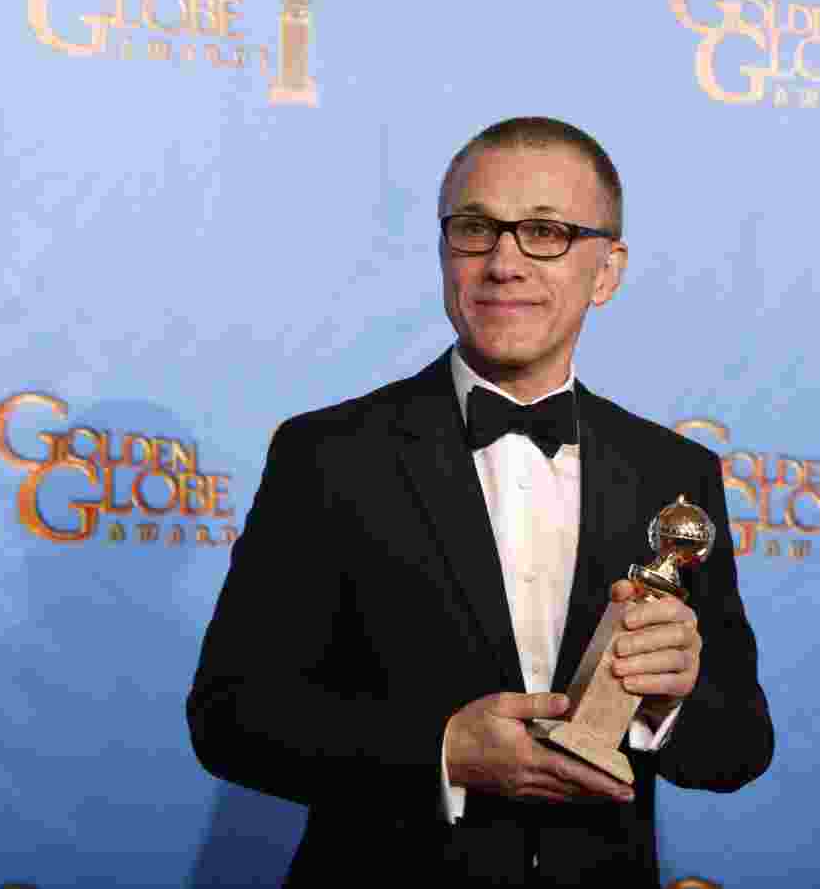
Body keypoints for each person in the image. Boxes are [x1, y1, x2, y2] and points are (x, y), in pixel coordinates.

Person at [186, 116, 774, 887]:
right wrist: (441, 750)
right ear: (443, 252)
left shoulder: (675, 473)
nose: (504, 262)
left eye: (545, 232)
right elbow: (232, 719)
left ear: (607, 270)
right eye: (476, 228)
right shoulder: (329, 455)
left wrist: (669, 700)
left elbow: (738, 748)